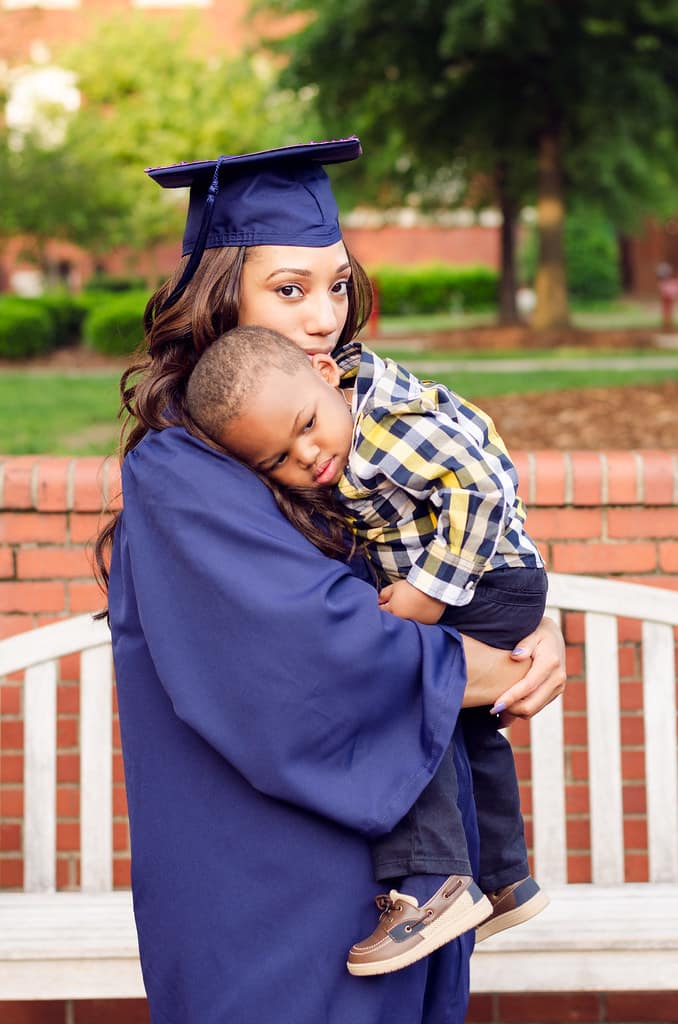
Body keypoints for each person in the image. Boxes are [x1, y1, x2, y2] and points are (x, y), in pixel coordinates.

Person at [98, 137, 566, 1024]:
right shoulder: (182, 470)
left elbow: (453, 516)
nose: (323, 318)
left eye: (337, 284)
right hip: (272, 875)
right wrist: (497, 663)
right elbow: (315, 648)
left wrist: (534, 617)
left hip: (399, 879)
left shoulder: (339, 433)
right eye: (288, 289)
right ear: (219, 292)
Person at [184, 324, 549, 976]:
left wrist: (430, 593)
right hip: (493, 580)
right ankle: (505, 879)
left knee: (401, 696)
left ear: (326, 375)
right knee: (466, 729)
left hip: (486, 581)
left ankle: (434, 886)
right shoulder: (338, 424)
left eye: (306, 425)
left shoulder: (389, 424)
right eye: (277, 459)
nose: (307, 456)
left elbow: (488, 486)